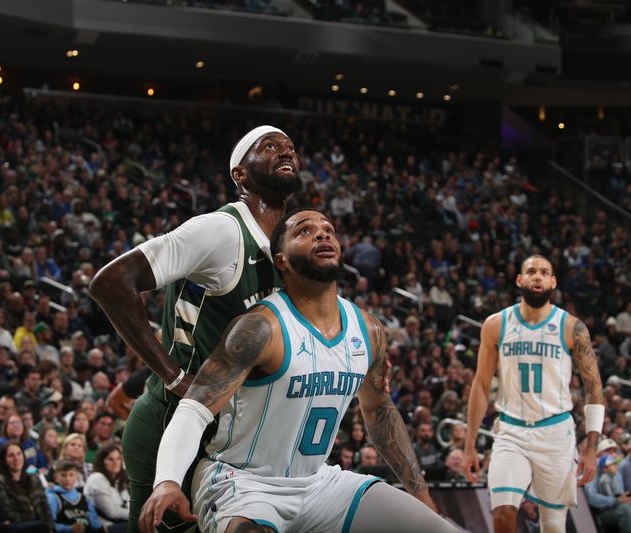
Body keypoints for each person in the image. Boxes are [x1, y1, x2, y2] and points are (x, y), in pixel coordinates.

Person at [141, 210, 456, 533]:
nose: (322, 235)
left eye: (328, 230)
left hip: (319, 482)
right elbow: (194, 409)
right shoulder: (260, 327)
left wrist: (423, 498)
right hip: (243, 482)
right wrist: (167, 481)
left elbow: (379, 412)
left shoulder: (369, 329)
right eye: (305, 231)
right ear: (282, 261)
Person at [89, 125, 301, 532]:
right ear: (239, 174)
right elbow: (111, 283)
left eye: (290, 147)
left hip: (231, 438)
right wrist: (172, 376)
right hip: (174, 426)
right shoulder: (219, 230)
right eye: (270, 146)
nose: (285, 151)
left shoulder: (287, 246)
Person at [462, 255, 605, 533]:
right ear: (520, 280)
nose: (537, 276)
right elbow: (480, 385)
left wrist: (591, 447)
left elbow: (594, 387)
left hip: (555, 433)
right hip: (511, 431)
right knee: (503, 514)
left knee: (553, 526)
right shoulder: (496, 324)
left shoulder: (571, 327)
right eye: (531, 272)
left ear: (553, 281)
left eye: (543, 272)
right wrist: (469, 445)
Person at [0, 442, 54, 532]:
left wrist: (51, 528)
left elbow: (45, 506)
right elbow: (6, 510)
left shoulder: (34, 478)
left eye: (19, 454)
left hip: (41, 525)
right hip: (19, 526)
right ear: (4, 460)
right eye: (11, 456)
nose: (16, 458)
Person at [585, 454, 631, 533]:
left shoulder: (617, 474)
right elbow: (592, 498)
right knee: (625, 509)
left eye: (615, 463)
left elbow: (620, 494)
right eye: (612, 464)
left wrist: (630, 502)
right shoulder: (593, 476)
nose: (616, 466)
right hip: (603, 512)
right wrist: (615, 501)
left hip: (618, 506)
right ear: (605, 469)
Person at [46, 459, 103, 533]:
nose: (67, 479)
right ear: (56, 478)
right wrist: (69, 529)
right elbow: (50, 524)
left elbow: (95, 523)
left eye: (71, 475)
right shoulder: (53, 497)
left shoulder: (84, 498)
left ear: (77, 477)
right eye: (63, 475)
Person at [83, 443, 129, 532]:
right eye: (110, 459)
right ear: (102, 461)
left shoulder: (119, 479)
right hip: (102, 526)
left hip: (121, 522)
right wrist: (135, 515)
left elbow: (128, 502)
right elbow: (112, 512)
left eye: (118, 459)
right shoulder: (96, 479)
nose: (115, 462)